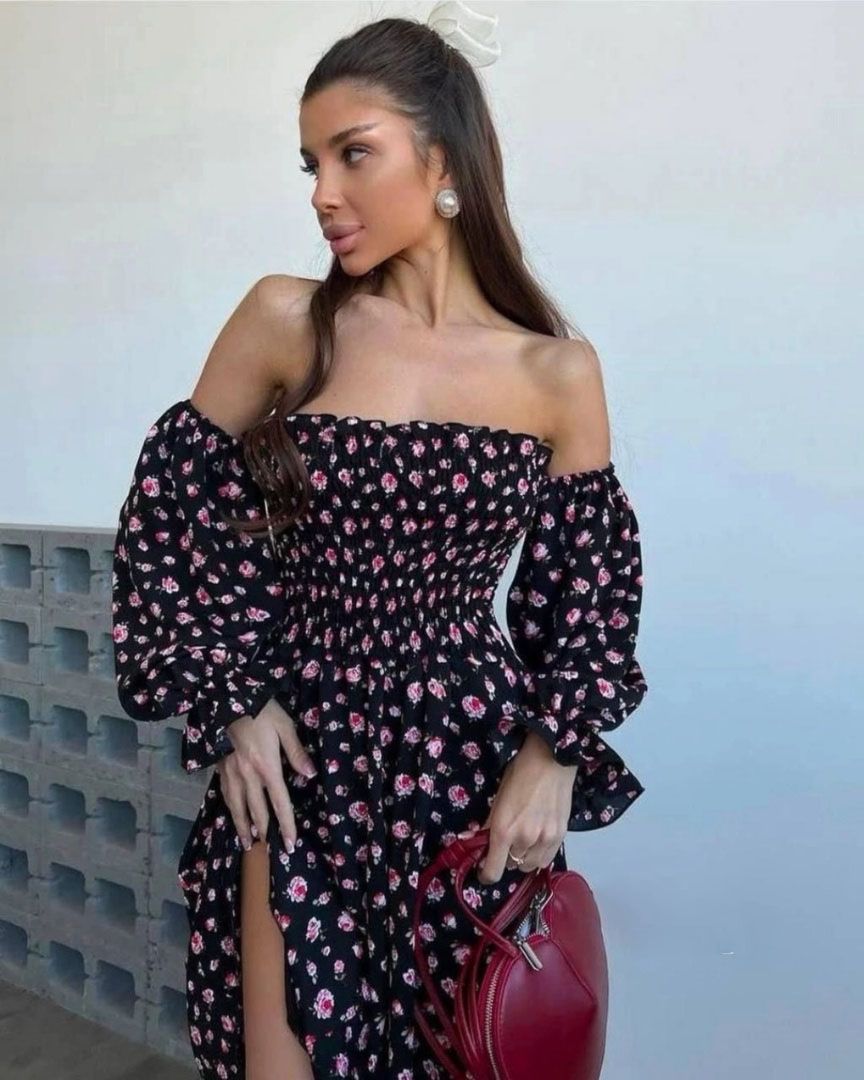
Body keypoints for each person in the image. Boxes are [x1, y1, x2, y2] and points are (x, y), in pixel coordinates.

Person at [111, 6, 649, 1079]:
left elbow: (589, 591)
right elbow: (168, 514)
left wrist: (552, 754)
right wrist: (233, 701)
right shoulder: (285, 319)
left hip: (468, 764)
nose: (323, 191)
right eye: (310, 163)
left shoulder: (556, 373)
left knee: (454, 1050)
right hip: (302, 752)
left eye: (354, 153)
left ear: (442, 160)